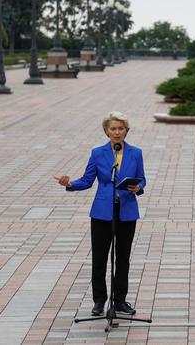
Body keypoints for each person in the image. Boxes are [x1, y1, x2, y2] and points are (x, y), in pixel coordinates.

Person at [55, 111, 146, 317]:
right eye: (113, 128)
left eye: (120, 128)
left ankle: (120, 300)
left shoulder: (136, 152)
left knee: (122, 258)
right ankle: (99, 300)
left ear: (126, 131)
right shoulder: (98, 153)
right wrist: (69, 183)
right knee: (100, 257)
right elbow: (87, 180)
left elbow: (141, 179)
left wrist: (137, 188)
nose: (116, 132)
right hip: (102, 212)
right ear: (106, 131)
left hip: (126, 211)